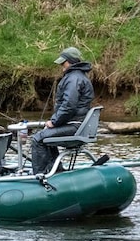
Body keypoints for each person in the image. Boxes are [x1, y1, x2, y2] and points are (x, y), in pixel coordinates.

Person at [30, 46, 95, 175]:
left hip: (75, 127)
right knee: (47, 134)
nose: (61, 66)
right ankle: (56, 171)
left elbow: (68, 106)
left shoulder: (73, 79)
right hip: (79, 125)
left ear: (70, 62)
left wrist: (54, 122)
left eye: (63, 63)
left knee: (37, 139)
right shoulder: (79, 76)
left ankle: (39, 175)